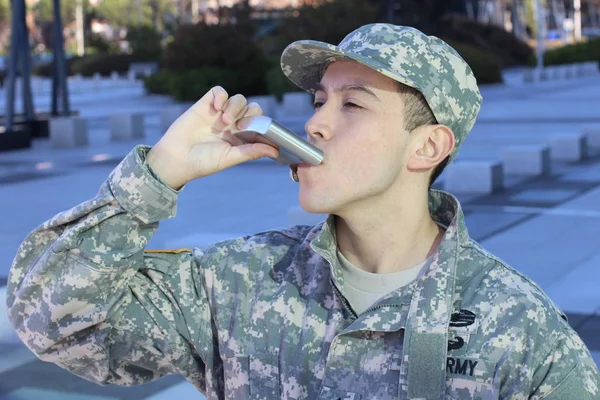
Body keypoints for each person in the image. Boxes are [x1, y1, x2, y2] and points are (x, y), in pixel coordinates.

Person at [6, 23, 600, 399]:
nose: (315, 121)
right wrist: (160, 173)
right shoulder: (239, 284)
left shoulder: (520, 331)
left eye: (353, 105)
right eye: (318, 100)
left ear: (427, 147)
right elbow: (50, 318)